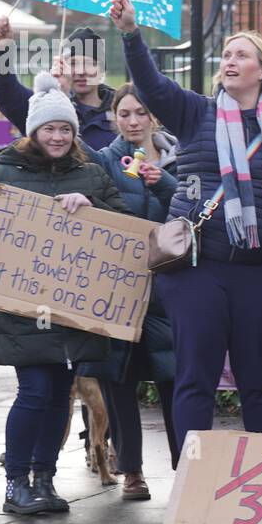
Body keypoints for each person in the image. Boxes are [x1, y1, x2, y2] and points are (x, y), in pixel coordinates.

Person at [0, 73, 127, 515]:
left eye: (65, 129)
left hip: (72, 308)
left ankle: (44, 480)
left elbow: (123, 229)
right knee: (34, 391)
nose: (57, 136)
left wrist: (94, 208)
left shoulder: (91, 175)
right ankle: (16, 483)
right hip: (21, 307)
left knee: (57, 395)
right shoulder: (2, 173)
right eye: (50, 128)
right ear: (33, 131)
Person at [109, 0, 262, 457]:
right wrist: (132, 34)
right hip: (197, 268)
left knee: (258, 379)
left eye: (242, 54)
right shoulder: (196, 111)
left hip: (260, 273)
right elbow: (152, 86)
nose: (230, 61)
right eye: (226, 54)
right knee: (195, 375)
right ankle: (192, 479)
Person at [78, 82, 180, 492]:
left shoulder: (180, 159)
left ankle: (185, 466)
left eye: (141, 113)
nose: (133, 121)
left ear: (154, 115)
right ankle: (131, 470)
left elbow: (193, 212)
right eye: (125, 114)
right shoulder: (103, 161)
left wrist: (163, 184)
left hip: (167, 287)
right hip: (118, 287)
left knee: (175, 377)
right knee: (117, 378)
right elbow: (93, 208)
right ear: (114, 119)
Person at [0, 21, 117, 148]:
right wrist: (1, 49)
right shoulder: (41, 105)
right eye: (72, 63)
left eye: (89, 64)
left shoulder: (121, 113)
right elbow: (5, 92)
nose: (80, 71)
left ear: (102, 71)